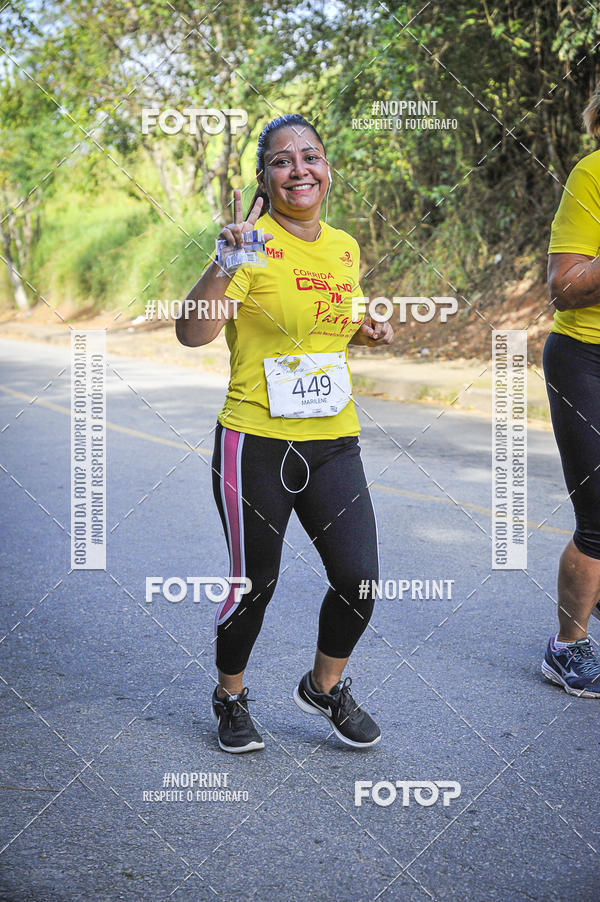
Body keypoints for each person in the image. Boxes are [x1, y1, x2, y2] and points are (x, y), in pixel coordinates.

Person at [176, 114, 393, 752]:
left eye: (311, 157)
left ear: (327, 170)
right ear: (265, 180)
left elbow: (332, 325)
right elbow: (193, 332)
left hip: (333, 441)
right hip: (255, 442)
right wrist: (222, 262)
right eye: (281, 160)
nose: (299, 168)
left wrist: (367, 331)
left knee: (360, 577)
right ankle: (231, 695)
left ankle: (325, 687)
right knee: (256, 583)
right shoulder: (248, 245)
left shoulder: (345, 247)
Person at [542, 83, 600, 697]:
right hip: (586, 358)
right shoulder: (592, 173)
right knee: (599, 516)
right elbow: (564, 284)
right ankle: (567, 645)